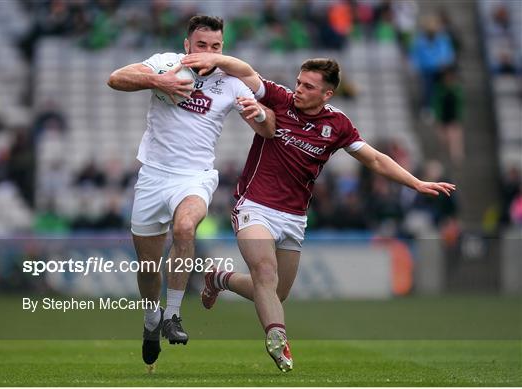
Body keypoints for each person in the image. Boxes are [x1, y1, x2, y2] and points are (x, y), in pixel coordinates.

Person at [181, 53, 456, 372]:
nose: (298, 89)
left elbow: (375, 160)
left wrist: (416, 182)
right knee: (265, 273)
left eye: (308, 86)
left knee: (275, 293)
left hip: (294, 216)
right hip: (253, 205)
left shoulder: (337, 124)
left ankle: (220, 278)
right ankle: (277, 340)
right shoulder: (280, 98)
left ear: (327, 94)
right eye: (298, 82)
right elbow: (246, 71)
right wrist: (210, 56)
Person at [107, 16, 275, 369]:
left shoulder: (230, 83)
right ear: (187, 46)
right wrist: (159, 82)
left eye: (216, 47)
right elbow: (115, 78)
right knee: (149, 269)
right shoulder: (166, 64)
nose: (208, 52)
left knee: (185, 228)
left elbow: (269, 128)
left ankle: (173, 315)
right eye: (201, 45)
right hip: (153, 176)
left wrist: (258, 113)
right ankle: (151, 317)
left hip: (195, 177)